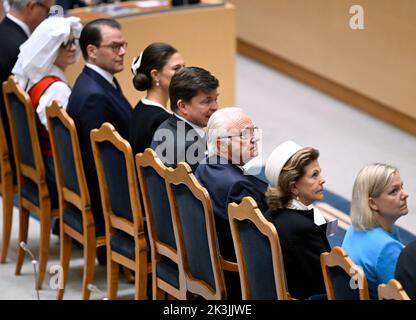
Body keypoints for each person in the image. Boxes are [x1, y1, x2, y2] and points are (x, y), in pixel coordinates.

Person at [66, 18, 133, 238]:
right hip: (111, 200)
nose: (122, 52)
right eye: (115, 47)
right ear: (92, 51)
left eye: (123, 45)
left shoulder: (96, 80)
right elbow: (98, 165)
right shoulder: (94, 95)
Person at [195, 107, 267, 299]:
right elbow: (263, 243)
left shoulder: (205, 167)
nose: (254, 138)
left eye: (253, 131)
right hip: (243, 278)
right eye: (244, 134)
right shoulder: (239, 188)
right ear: (220, 145)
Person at [264, 140, 330, 300]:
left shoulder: (270, 213)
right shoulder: (303, 229)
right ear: (293, 187)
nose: (323, 179)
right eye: (314, 175)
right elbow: (327, 280)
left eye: (319, 173)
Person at [0, 0, 53, 175]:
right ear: (31, 7)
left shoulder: (4, 32)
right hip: (18, 148)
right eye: (47, 10)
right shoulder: (21, 49)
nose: (47, 17)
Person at [342, 163, 408, 299]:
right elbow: (405, 295)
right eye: (394, 191)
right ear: (372, 203)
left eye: (402, 187)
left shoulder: (354, 228)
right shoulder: (387, 248)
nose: (405, 195)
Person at [150, 66, 218, 171]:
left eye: (215, 99)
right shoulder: (191, 147)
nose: (215, 107)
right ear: (183, 106)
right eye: (207, 101)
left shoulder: (167, 126)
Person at [129, 42, 185, 154]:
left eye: (184, 67)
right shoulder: (161, 119)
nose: (184, 73)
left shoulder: (141, 107)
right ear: (155, 75)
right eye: (176, 68)